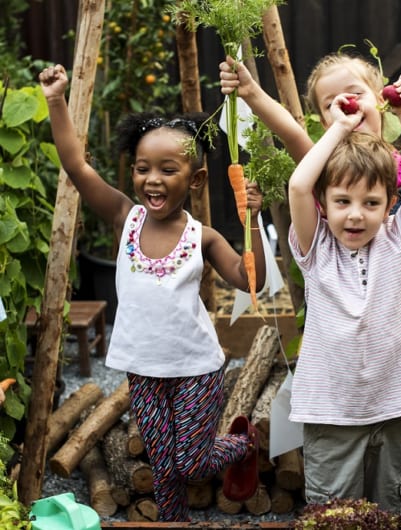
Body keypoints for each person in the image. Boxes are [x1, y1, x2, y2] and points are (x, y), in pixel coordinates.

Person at [40, 64, 267, 522]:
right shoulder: (127, 218)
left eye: (168, 169)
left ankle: (244, 444)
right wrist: (56, 100)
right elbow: (76, 165)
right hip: (144, 369)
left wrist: (252, 221)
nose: (153, 180)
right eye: (143, 169)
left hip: (196, 369)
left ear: (195, 180)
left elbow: (250, 281)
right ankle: (174, 520)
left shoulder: (203, 238)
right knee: (164, 469)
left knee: (191, 462)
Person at [219, 52, 401, 363]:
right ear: (325, 121)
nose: (345, 103)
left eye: (354, 93)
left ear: (380, 100)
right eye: (330, 103)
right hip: (338, 323)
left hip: (392, 325)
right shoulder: (325, 172)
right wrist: (251, 91)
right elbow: (292, 132)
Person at [285, 75, 401, 517]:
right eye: (342, 201)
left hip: (395, 403)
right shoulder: (316, 249)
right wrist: (338, 127)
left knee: (387, 508)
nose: (356, 214)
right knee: (333, 514)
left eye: (371, 203)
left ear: (391, 202)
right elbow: (298, 186)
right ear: (324, 203)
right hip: (332, 411)